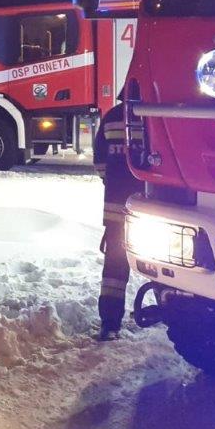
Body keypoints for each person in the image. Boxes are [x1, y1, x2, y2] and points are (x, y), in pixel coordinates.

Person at [93, 99, 144, 340]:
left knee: (114, 268)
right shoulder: (153, 113)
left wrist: (112, 182)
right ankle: (165, 311)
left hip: (116, 210)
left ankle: (110, 323)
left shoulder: (112, 116)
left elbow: (100, 161)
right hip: (151, 207)